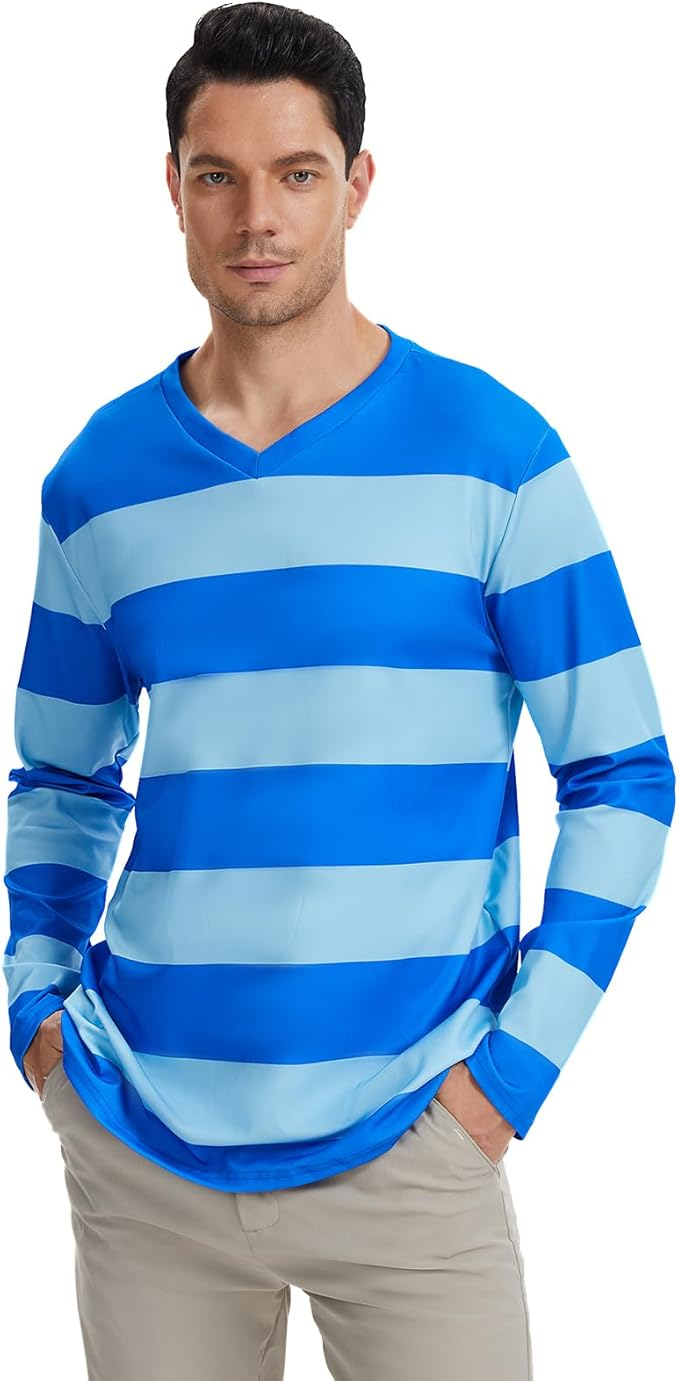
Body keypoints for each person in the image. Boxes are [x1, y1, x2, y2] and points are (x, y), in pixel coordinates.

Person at [3, 4, 675, 1379]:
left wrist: (512, 1076)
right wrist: (39, 1018)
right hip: (142, 1146)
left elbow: (623, 773)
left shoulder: (496, 453)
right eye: (219, 174)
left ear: (357, 185)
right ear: (173, 187)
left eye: (297, 174)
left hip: (418, 1140)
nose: (258, 217)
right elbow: (61, 778)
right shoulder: (97, 479)